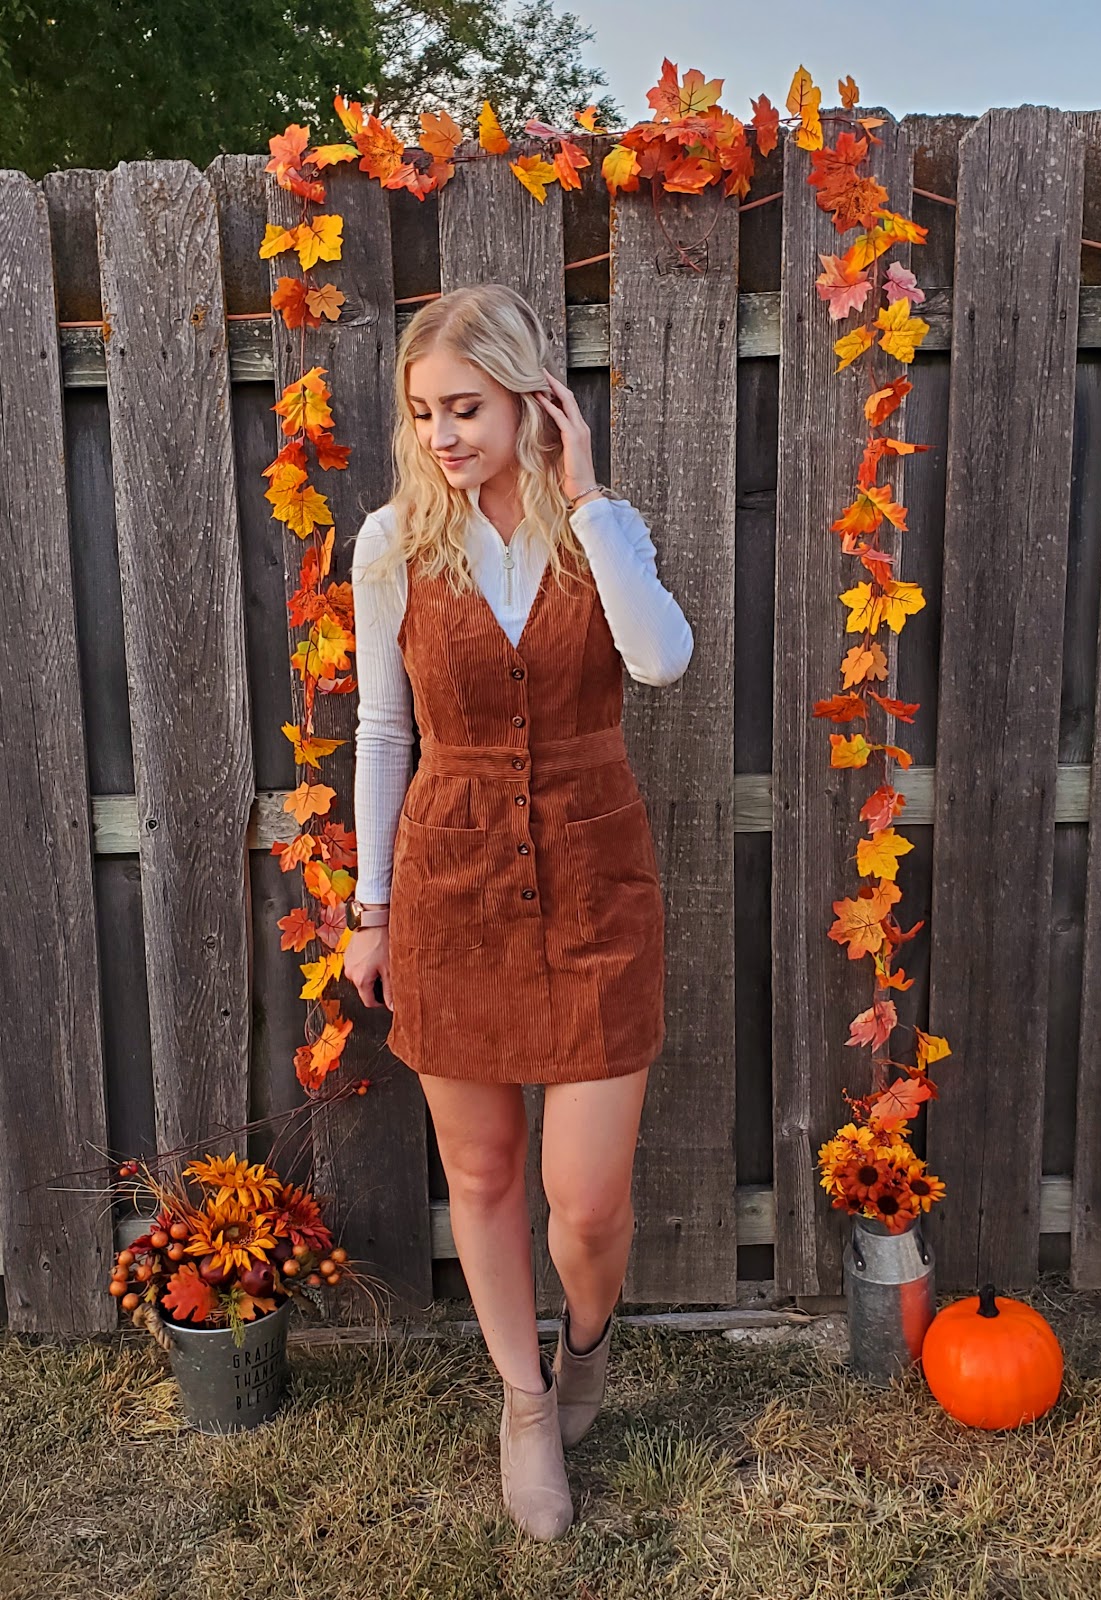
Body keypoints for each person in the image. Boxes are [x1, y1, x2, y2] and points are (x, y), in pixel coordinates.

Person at [342, 282, 693, 1540]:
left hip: (595, 884)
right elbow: (385, 731)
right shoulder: (391, 543)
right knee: (483, 1172)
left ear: (528, 398)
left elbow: (658, 659)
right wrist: (371, 908)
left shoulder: (601, 529)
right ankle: (525, 1403)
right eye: (422, 412)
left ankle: (585, 1337)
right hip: (451, 885)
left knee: (585, 1202)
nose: (441, 434)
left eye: (466, 407)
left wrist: (585, 498)